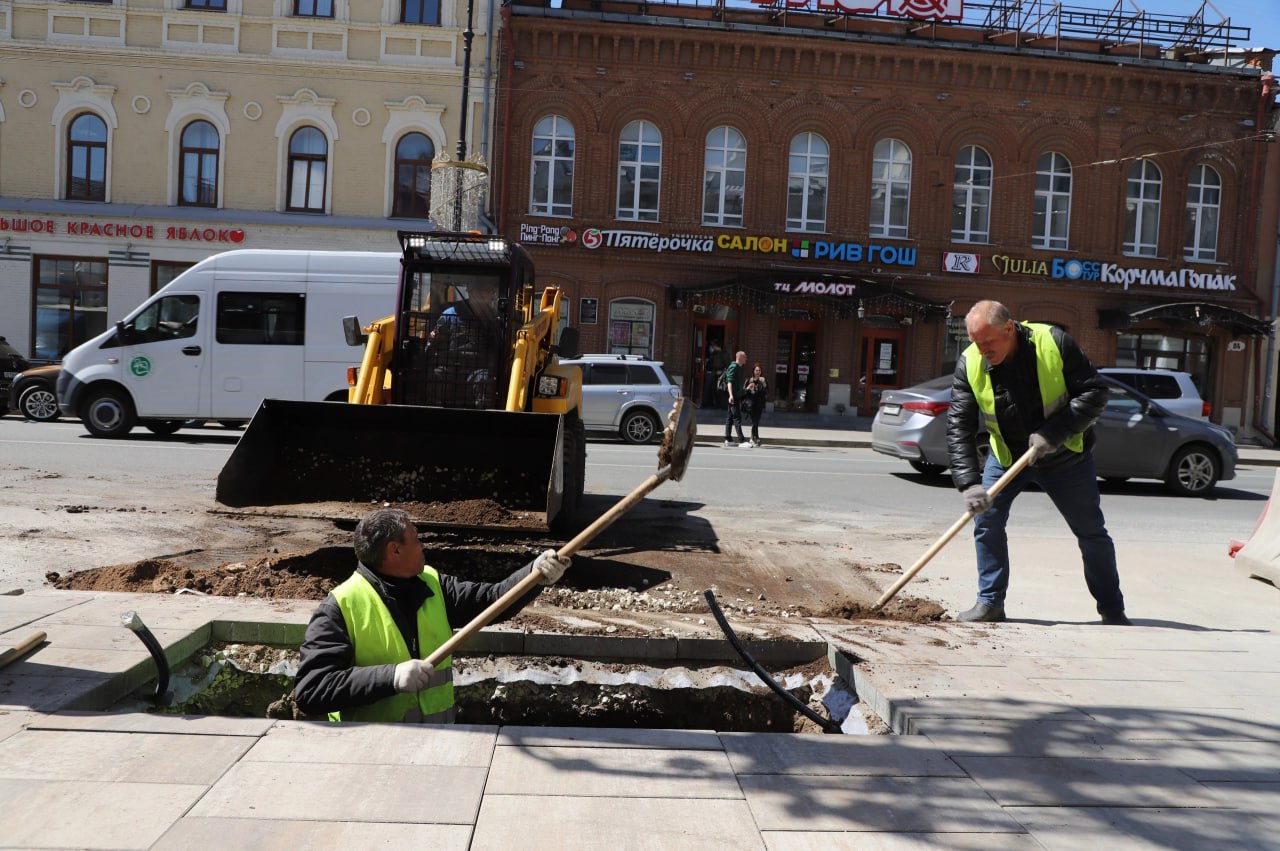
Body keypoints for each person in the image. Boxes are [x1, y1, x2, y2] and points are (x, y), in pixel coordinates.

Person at [293, 507, 571, 722]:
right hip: (372, 755)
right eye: (416, 539)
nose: (422, 546)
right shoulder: (341, 606)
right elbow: (312, 690)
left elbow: (491, 601)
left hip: (437, 745)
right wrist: (390, 677)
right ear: (395, 550)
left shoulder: (432, 584)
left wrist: (535, 575)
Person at [946, 300, 1129, 625]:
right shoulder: (970, 363)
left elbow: (1096, 393)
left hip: (1065, 456)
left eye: (988, 341)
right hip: (1006, 457)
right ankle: (990, 603)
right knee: (986, 523)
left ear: (1009, 328)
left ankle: (1112, 609)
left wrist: (1054, 433)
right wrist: (969, 483)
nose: (982, 349)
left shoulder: (1053, 343)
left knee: (1090, 532)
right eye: (976, 341)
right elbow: (959, 424)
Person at [428, 278, 502, 408]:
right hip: (451, 366)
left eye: (492, 292)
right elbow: (435, 341)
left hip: (478, 368)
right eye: (488, 291)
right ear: (472, 292)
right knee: (436, 376)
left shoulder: (495, 318)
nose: (491, 296)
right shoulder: (450, 314)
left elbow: (497, 348)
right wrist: (433, 338)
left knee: (484, 380)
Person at [723, 350, 748, 447]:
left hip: (736, 396)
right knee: (737, 417)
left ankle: (728, 438)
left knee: (729, 417)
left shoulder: (739, 368)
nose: (746, 359)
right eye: (745, 357)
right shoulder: (734, 366)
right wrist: (731, 395)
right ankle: (741, 440)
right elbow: (729, 382)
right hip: (733, 397)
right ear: (740, 357)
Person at [741, 363, 768, 448]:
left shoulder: (763, 380)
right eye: (756, 370)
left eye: (759, 370)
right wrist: (748, 387)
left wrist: (764, 384)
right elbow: (743, 391)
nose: (758, 372)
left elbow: (767, 392)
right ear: (753, 371)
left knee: (756, 422)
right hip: (751, 404)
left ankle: (754, 438)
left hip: (759, 404)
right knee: (754, 422)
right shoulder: (749, 380)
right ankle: (754, 439)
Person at [703, 340, 729, 408]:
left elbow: (728, 365)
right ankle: (715, 404)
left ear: (717, 346)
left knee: (721, 389)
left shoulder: (724, 354)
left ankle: (722, 405)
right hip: (714, 373)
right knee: (714, 389)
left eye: (713, 346)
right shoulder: (714, 353)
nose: (713, 347)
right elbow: (711, 361)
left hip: (722, 374)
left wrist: (722, 371)